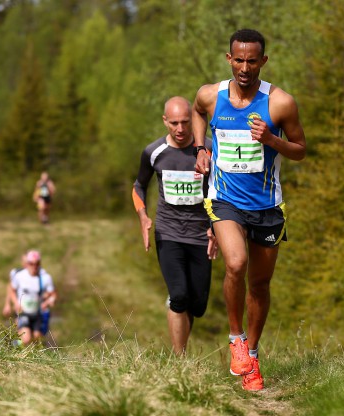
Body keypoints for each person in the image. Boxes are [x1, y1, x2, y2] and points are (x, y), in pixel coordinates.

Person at [192, 28, 306, 391]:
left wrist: (272, 140)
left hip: (268, 206)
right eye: (238, 60)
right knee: (236, 263)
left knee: (259, 284)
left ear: (263, 61)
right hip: (225, 199)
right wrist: (200, 148)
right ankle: (235, 339)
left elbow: (300, 148)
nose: (244, 67)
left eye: (251, 61)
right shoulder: (211, 96)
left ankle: (252, 356)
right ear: (229, 59)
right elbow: (197, 113)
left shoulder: (280, 103)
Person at [132, 96, 217, 355]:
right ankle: (179, 360)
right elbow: (138, 186)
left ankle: (181, 343)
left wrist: (217, 227)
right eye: (174, 123)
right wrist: (143, 216)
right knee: (179, 296)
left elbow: (222, 190)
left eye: (185, 122)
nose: (180, 129)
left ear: (193, 119)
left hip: (201, 235)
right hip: (168, 233)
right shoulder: (154, 152)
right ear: (165, 121)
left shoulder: (209, 149)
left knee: (197, 304)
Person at [7, 250, 57, 345]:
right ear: (27, 263)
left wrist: (48, 302)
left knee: (37, 340)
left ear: (40, 263)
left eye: (37, 264)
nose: (34, 266)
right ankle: (15, 349)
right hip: (23, 312)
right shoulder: (19, 276)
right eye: (31, 264)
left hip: (37, 313)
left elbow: (53, 294)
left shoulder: (45, 277)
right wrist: (15, 303)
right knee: (26, 339)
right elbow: (11, 290)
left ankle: (29, 357)